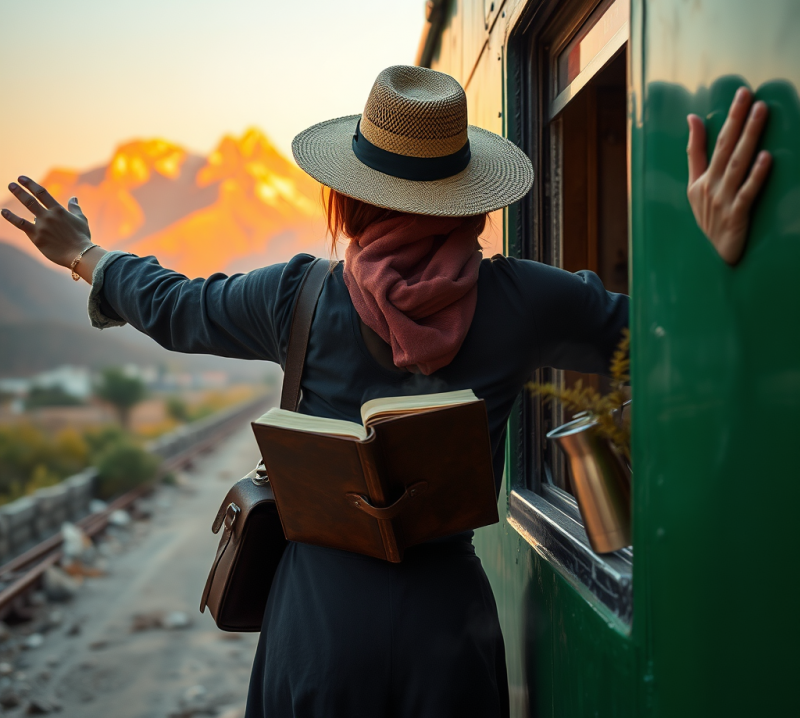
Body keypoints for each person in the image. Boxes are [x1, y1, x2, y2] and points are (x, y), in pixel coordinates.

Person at [2, 67, 771, 718]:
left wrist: (87, 256)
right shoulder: (525, 301)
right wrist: (710, 261)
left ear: (349, 197)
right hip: (449, 627)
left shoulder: (294, 296)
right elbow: (649, 347)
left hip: (318, 623)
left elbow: (176, 305)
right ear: (468, 196)